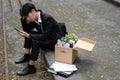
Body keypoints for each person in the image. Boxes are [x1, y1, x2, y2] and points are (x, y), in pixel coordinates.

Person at [15, 3, 62, 76]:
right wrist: (23, 19)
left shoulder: (47, 18)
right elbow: (26, 29)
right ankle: (26, 56)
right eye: (26, 17)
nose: (28, 18)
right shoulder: (35, 19)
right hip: (46, 38)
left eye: (28, 16)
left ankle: (31, 67)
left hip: (54, 42)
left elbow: (43, 36)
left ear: (33, 11)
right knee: (29, 33)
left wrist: (29, 35)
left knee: (34, 40)